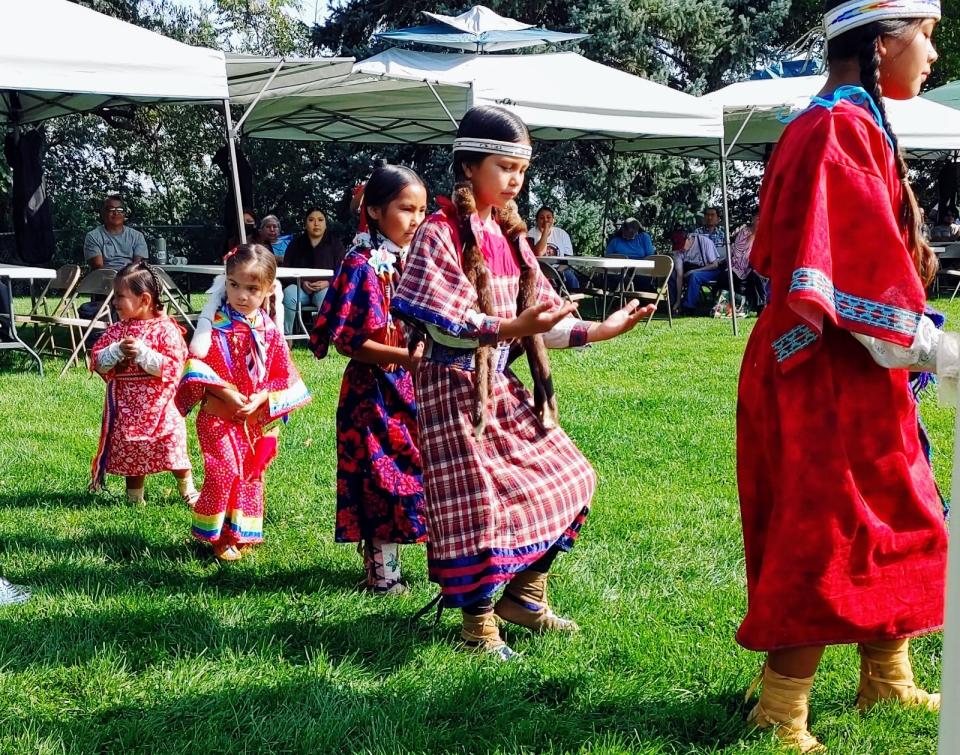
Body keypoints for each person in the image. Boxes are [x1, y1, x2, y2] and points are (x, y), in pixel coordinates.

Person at [737, 2, 948, 750]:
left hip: (845, 368)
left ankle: (886, 672)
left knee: (900, 511)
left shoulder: (845, 119)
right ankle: (781, 707)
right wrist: (930, 345)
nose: (931, 54)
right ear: (882, 41)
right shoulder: (837, 126)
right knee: (824, 530)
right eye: (926, 36)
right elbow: (847, 269)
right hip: (819, 366)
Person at [392, 105, 654, 660]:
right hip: (452, 387)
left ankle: (524, 597)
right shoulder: (438, 235)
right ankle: (478, 626)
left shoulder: (509, 235)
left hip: (497, 387)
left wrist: (602, 330)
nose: (515, 179)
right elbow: (450, 321)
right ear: (469, 167)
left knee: (572, 477)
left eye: (520, 169)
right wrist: (514, 325)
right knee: (478, 507)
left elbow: (536, 326)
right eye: (504, 166)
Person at [310, 165, 429, 594]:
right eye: (405, 209)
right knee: (381, 480)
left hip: (414, 390)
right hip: (372, 393)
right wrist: (405, 358)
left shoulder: (416, 261)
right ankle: (384, 576)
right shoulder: (360, 265)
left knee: (418, 474)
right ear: (375, 211)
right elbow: (348, 341)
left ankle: (414, 566)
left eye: (422, 210)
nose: (416, 219)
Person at [176, 245, 311, 561]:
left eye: (252, 288)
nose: (241, 295)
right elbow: (196, 366)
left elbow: (284, 374)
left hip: (254, 421)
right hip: (218, 415)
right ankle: (217, 536)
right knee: (223, 471)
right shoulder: (215, 328)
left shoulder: (269, 331)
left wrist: (263, 397)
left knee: (249, 476)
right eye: (234, 284)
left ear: (268, 290)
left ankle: (239, 531)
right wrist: (226, 392)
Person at [89, 262, 197, 505]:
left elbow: (174, 366)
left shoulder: (166, 329)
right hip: (128, 408)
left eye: (120, 296)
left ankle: (187, 488)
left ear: (145, 299)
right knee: (132, 449)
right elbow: (97, 361)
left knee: (171, 446)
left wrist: (142, 353)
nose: (115, 302)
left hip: (161, 406)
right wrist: (116, 351)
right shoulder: (117, 331)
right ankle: (134, 497)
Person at [281, 208, 345, 334]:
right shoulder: (295, 244)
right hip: (300, 289)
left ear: (326, 224)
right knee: (289, 293)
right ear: (305, 224)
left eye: (320, 220)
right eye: (311, 220)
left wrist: (328, 282)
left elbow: (343, 270)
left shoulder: (336, 245)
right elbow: (286, 271)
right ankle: (287, 336)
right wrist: (301, 282)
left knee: (327, 295)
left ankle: (324, 336)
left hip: (324, 288)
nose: (316, 224)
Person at [84, 196, 148, 272]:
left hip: (131, 277)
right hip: (104, 278)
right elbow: (98, 267)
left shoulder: (137, 236)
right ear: (103, 213)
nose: (116, 213)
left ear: (124, 214)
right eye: (111, 209)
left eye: (120, 209)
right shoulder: (93, 236)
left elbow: (139, 265)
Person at [527, 206, 579, 291]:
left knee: (573, 281)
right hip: (540, 270)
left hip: (561, 269)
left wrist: (557, 272)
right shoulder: (531, 234)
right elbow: (538, 253)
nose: (545, 220)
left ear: (553, 220)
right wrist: (545, 233)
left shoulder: (562, 234)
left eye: (548, 217)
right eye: (542, 218)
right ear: (537, 221)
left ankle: (574, 303)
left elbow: (568, 258)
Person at [672, 233, 719, 314]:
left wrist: (694, 271)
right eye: (678, 247)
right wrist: (678, 300)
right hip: (690, 271)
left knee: (694, 276)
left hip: (711, 271)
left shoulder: (704, 242)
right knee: (673, 275)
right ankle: (673, 304)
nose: (681, 249)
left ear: (689, 238)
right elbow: (679, 276)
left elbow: (715, 265)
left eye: (682, 245)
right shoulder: (678, 251)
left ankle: (689, 307)